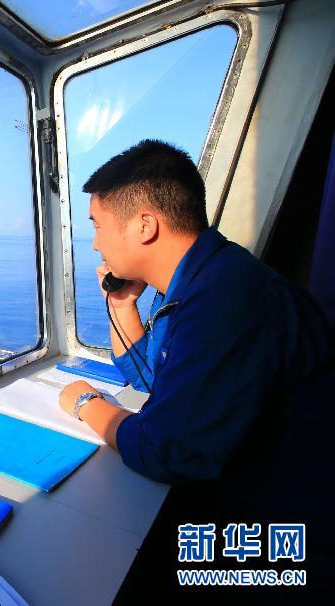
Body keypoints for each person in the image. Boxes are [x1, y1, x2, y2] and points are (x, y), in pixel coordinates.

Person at [56, 139, 334, 602]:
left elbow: (166, 451)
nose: (96, 242)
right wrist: (122, 306)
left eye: (98, 225)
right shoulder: (202, 279)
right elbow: (156, 381)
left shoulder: (224, 299)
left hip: (294, 533)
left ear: (145, 225)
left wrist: (86, 403)